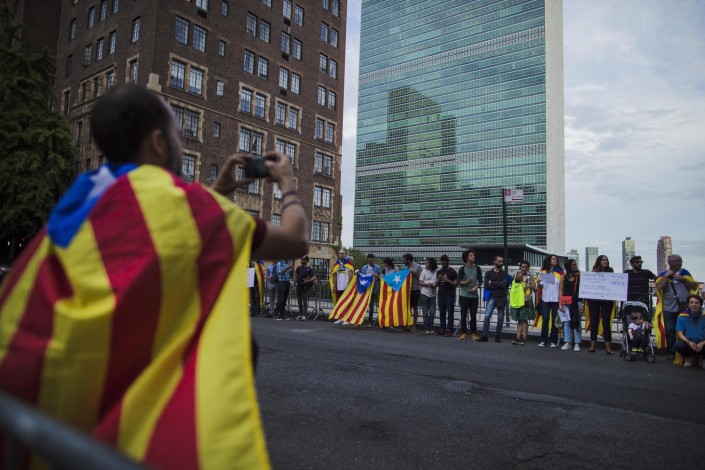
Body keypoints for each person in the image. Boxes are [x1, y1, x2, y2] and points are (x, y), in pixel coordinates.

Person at [0, 84, 308, 468]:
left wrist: (221, 189)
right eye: (179, 134)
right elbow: (295, 240)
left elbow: (173, 232)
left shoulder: (85, 194)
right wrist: (288, 185)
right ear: (159, 142)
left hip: (27, 400)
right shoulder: (183, 206)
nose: (181, 143)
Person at [654, 254, 699, 357]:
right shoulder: (663, 274)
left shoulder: (685, 273)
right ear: (669, 263)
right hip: (668, 308)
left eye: (680, 261)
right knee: (670, 331)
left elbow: (694, 286)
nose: (679, 263)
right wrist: (666, 276)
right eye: (676, 261)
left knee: (685, 330)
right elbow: (659, 287)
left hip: (684, 308)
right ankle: (672, 352)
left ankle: (685, 352)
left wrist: (683, 279)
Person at [587, 255, 615, 354]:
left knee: (606, 323)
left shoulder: (611, 271)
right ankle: (592, 346)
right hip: (594, 300)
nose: (605, 261)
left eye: (607, 260)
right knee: (594, 322)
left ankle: (608, 347)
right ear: (599, 261)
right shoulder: (593, 272)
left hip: (606, 300)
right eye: (603, 260)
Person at [536, 255, 563, 348]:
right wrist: (539, 284)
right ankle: (543, 340)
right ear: (549, 260)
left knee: (555, 320)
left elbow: (561, 287)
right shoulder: (543, 272)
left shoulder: (560, 272)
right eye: (553, 259)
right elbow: (540, 286)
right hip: (545, 298)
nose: (555, 260)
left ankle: (553, 341)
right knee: (546, 319)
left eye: (556, 259)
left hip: (556, 299)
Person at [480, 255, 509, 343]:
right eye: (499, 261)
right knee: (487, 316)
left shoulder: (504, 274)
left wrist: (492, 283)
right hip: (492, 296)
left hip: (501, 297)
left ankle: (498, 336)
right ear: (494, 262)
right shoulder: (488, 273)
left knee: (500, 318)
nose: (501, 263)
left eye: (502, 261)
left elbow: (504, 285)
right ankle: (485, 335)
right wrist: (498, 284)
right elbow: (486, 285)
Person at [457, 249, 482, 341]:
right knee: (463, 315)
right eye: (471, 256)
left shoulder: (477, 268)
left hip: (474, 296)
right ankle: (463, 332)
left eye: (473, 255)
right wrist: (466, 282)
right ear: (467, 257)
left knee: (473, 315)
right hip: (464, 295)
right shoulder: (462, 269)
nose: (473, 257)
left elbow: (480, 281)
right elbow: (458, 282)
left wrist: (476, 287)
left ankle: (473, 333)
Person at [673, 295, 705, 367]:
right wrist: (689, 342)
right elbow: (680, 334)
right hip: (689, 342)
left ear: (700, 305)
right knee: (678, 345)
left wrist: (702, 343)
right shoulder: (682, 316)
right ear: (688, 304)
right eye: (691, 302)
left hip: (702, 342)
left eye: (696, 303)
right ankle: (688, 357)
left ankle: (703, 359)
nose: (694, 305)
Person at [510, 260, 536, 345]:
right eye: (522, 267)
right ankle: (518, 337)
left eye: (526, 267)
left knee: (524, 319)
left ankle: (524, 337)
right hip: (518, 299)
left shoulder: (530, 276)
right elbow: (513, 286)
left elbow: (535, 288)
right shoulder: (516, 274)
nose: (524, 269)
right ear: (520, 267)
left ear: (528, 268)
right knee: (519, 319)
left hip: (526, 299)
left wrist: (530, 286)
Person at [560, 259, 582, 351]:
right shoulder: (563, 277)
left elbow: (582, 290)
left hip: (577, 301)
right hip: (566, 301)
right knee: (567, 321)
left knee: (577, 321)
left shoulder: (579, 277)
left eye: (575, 264)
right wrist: (560, 304)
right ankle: (567, 342)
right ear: (569, 266)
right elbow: (561, 290)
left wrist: (583, 303)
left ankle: (577, 342)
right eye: (573, 265)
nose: (575, 266)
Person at [435, 254, 458, 337]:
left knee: (450, 313)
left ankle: (449, 330)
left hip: (450, 295)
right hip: (441, 294)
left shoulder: (453, 272)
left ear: (448, 262)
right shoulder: (439, 271)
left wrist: (447, 280)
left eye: (444, 264)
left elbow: (455, 283)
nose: (443, 265)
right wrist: (438, 280)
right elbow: (436, 284)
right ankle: (442, 328)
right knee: (442, 313)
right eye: (442, 264)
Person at [360, 253, 382, 327]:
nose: (370, 262)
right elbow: (362, 278)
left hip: (373, 289)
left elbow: (381, 277)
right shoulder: (364, 267)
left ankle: (369, 322)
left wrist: (377, 276)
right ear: (367, 260)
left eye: (371, 261)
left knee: (371, 306)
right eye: (369, 261)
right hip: (365, 289)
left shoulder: (378, 267)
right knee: (363, 305)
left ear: (373, 259)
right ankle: (360, 320)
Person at [403, 253, 423, 332]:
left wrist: (413, 272)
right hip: (407, 290)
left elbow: (421, 277)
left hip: (415, 289)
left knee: (414, 307)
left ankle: (414, 325)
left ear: (409, 260)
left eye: (404, 260)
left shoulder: (417, 266)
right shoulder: (406, 268)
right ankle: (409, 324)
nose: (403, 261)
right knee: (408, 308)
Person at [419, 257, 438, 334]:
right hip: (424, 293)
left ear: (431, 264)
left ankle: (431, 326)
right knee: (425, 312)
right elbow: (420, 282)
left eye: (427, 263)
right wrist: (427, 285)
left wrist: (434, 285)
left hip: (433, 294)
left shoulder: (437, 272)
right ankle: (426, 327)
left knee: (432, 312)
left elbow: (438, 282)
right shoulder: (424, 271)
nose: (426, 264)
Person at [294, 255, 316, 321]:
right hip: (299, 287)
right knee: (299, 302)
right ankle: (300, 314)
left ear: (306, 261)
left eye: (303, 259)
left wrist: (308, 280)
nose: (302, 260)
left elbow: (314, 277)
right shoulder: (299, 267)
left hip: (305, 287)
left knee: (305, 302)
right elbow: (295, 274)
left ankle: (304, 315)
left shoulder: (309, 269)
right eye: (302, 259)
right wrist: (295, 280)